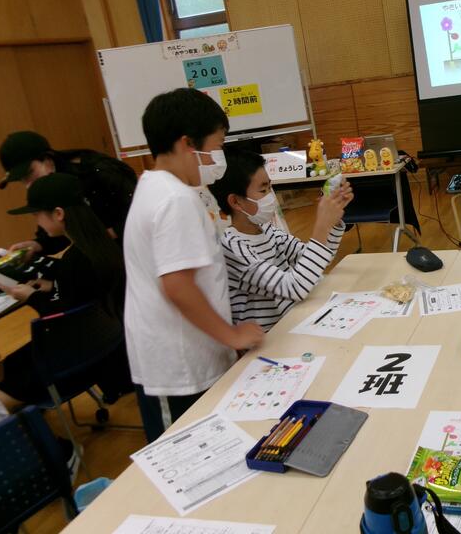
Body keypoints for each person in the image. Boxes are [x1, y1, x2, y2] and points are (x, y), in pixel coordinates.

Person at [124, 88, 263, 442]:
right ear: (188, 143)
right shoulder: (175, 199)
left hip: (187, 350)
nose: (218, 158)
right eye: (216, 147)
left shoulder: (155, 186)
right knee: (185, 451)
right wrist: (231, 335)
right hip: (179, 364)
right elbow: (178, 286)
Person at [0, 173, 127, 477]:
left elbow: (61, 315)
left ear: (58, 214)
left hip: (72, 361)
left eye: (37, 215)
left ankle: (55, 453)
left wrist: (31, 297)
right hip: (104, 349)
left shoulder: (75, 263)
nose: (37, 224)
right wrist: (50, 288)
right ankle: (37, 427)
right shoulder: (100, 248)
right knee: (9, 364)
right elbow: (78, 300)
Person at [209, 151, 353, 332]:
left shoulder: (268, 230)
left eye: (270, 187)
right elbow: (293, 287)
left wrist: (332, 220)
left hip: (293, 323)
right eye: (263, 190)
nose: (270, 195)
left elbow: (318, 259)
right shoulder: (233, 248)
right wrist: (321, 225)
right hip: (269, 338)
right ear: (236, 202)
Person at [0, 130, 137, 256]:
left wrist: (104, 236)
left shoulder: (99, 170)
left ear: (47, 159)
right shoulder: (48, 186)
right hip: (102, 256)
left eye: (30, 173)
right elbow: (61, 231)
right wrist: (37, 245)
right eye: (22, 180)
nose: (29, 185)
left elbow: (141, 215)